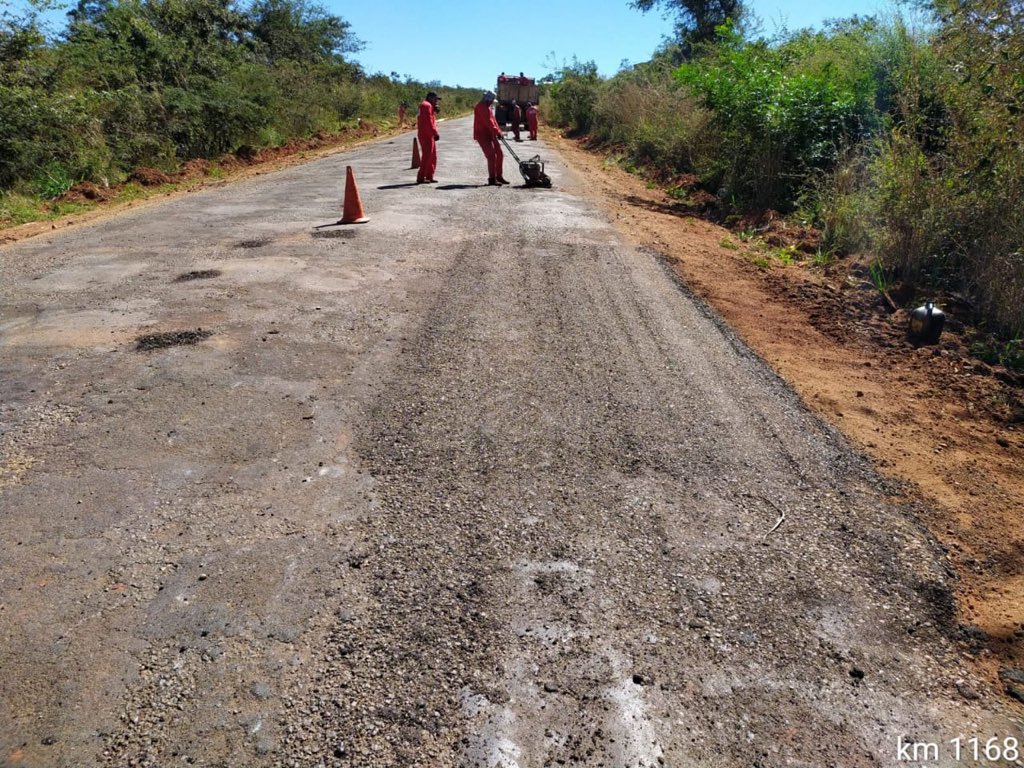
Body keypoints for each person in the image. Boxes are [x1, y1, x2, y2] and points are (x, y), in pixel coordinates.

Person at [473, 91, 508, 186]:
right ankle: (492, 179)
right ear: (488, 99)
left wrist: (499, 132)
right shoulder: (481, 107)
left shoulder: (488, 107)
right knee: (492, 156)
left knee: (500, 154)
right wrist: (497, 132)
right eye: (492, 100)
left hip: (491, 133)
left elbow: (494, 121)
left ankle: (499, 176)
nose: (493, 102)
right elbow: (488, 122)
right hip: (482, 134)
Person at [416, 91, 440, 184]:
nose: (436, 101)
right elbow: (428, 122)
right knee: (427, 156)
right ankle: (421, 177)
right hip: (427, 134)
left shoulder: (426, 105)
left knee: (432, 156)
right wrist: (435, 133)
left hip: (427, 133)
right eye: (435, 99)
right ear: (430, 98)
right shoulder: (426, 106)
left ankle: (429, 176)